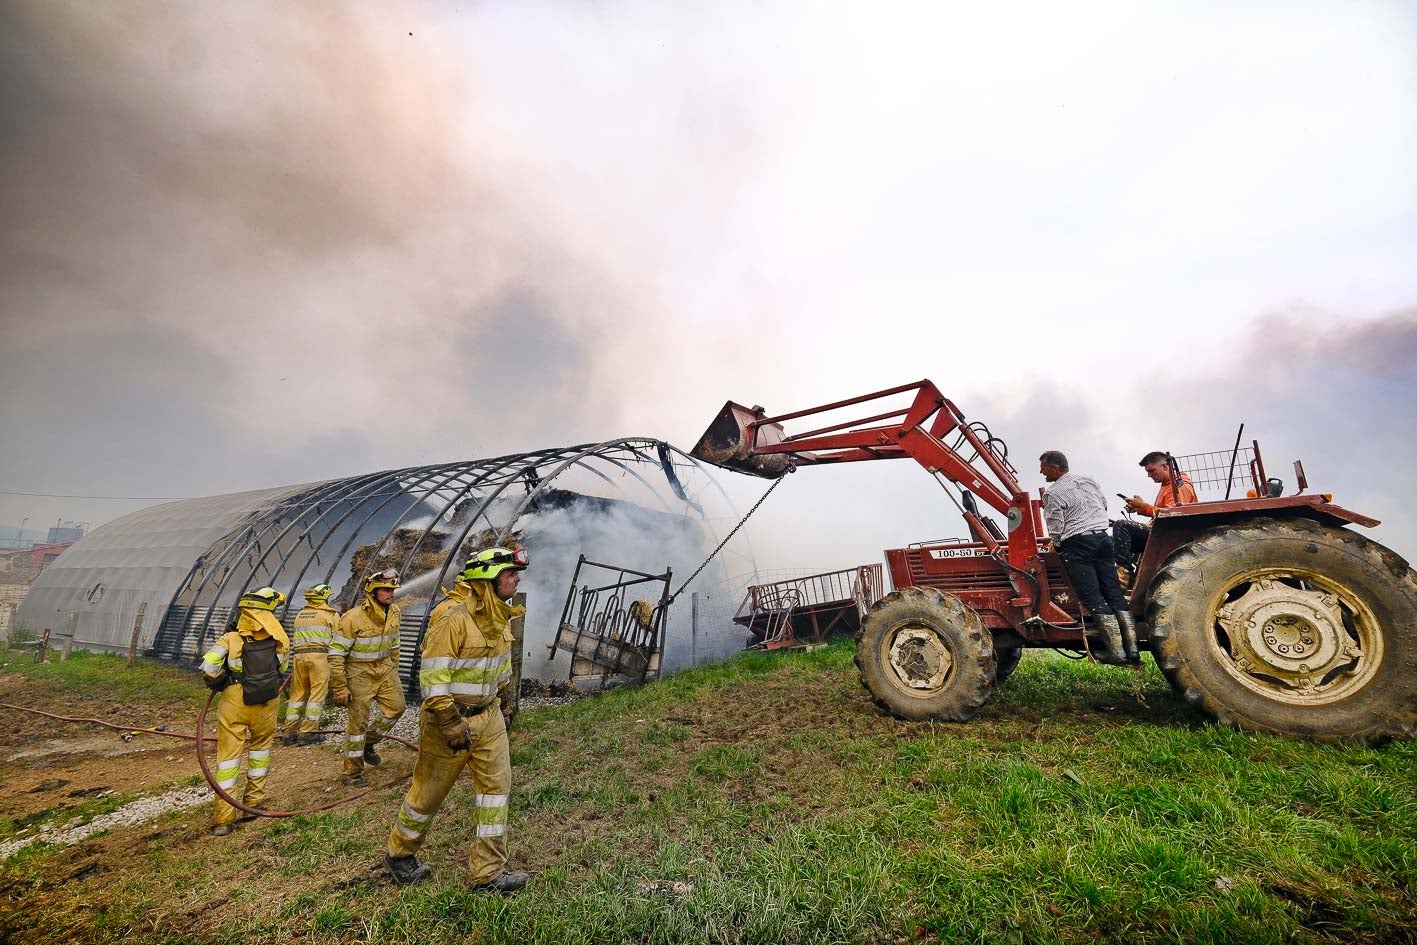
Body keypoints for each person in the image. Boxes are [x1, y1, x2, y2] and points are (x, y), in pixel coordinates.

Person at [383, 547, 530, 892]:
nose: (516, 579)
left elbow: (502, 668)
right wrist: (449, 721)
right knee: (428, 794)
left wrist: (504, 704)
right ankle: (400, 854)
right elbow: (433, 678)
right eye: (510, 574)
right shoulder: (453, 618)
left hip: (489, 717)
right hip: (448, 722)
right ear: (488, 580)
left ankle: (487, 872)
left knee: (496, 791)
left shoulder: (500, 616)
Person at [200, 586, 290, 835]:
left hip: (235, 701)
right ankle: (253, 804)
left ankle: (224, 819)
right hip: (266, 703)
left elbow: (208, 668)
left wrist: (219, 680)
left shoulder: (230, 639)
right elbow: (282, 667)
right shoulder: (279, 640)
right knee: (260, 753)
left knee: (228, 759)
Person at [1038, 451, 1137, 663]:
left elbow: (1055, 525)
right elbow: (1103, 504)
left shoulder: (1052, 493)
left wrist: (1056, 546)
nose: (1041, 471)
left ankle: (1117, 653)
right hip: (1103, 539)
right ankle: (1133, 649)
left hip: (1078, 543)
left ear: (1055, 468)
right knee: (1113, 592)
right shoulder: (1087, 480)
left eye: (1043, 467)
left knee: (1093, 597)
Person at [329, 568, 405, 787]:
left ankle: (368, 743)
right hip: (359, 674)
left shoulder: (395, 612)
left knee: (397, 708)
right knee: (357, 724)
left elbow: (395, 643)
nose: (391, 594)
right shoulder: (352, 618)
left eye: (393, 590)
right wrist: (340, 687)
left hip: (385, 670)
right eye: (386, 590)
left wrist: (393, 667)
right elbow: (336, 655)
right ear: (373, 592)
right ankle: (351, 773)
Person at [1113, 451, 1199, 570]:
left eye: (1151, 471)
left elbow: (1171, 516)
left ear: (1165, 467)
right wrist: (1140, 508)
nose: (1149, 475)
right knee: (1111, 540)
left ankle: (1123, 573)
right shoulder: (1167, 485)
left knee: (1121, 526)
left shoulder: (1179, 486)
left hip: (1170, 535)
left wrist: (1144, 506)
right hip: (1162, 531)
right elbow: (1161, 512)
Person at [281, 583, 338, 746]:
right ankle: (308, 732)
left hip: (299, 658)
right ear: (325, 597)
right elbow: (339, 639)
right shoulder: (330, 615)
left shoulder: (300, 615)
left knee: (297, 694)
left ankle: (289, 732)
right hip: (320, 657)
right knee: (317, 694)